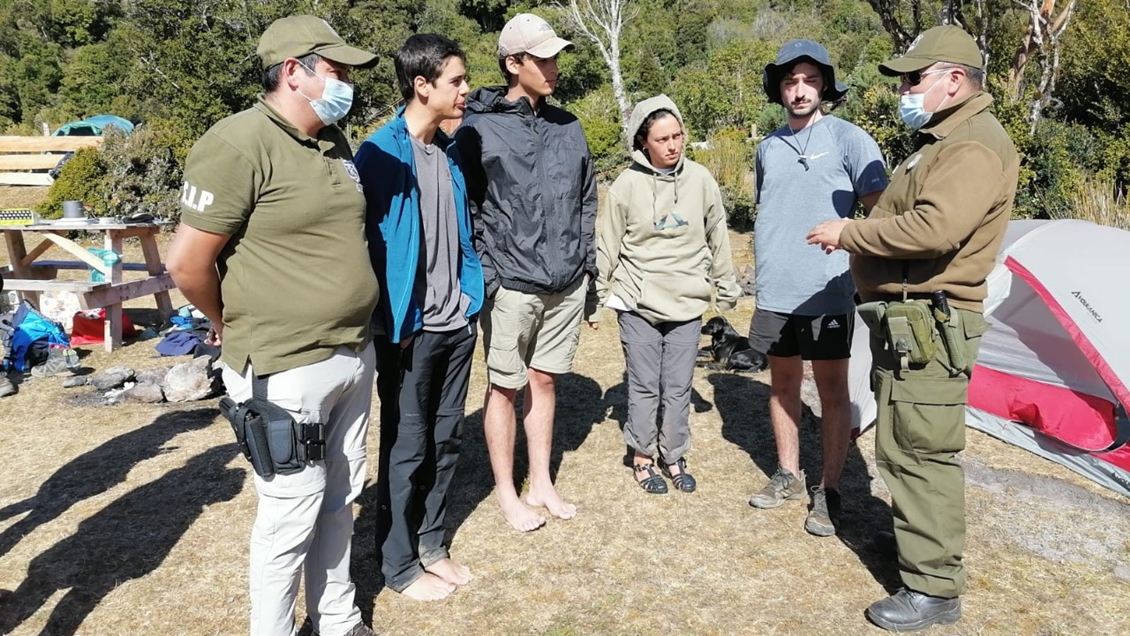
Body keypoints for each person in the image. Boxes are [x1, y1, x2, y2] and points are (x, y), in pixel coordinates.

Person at [166, 16, 381, 636]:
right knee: (292, 512)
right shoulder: (237, 144)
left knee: (340, 497)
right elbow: (187, 262)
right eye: (335, 70)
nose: (346, 83)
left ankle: (338, 620)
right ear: (295, 71)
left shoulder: (333, 140)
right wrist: (225, 320)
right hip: (283, 365)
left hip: (348, 353)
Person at [807, 25, 1018, 632]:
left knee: (921, 451)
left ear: (955, 80)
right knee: (903, 444)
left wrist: (849, 234)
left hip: (931, 321)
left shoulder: (972, 144)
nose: (904, 88)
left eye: (914, 78)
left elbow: (933, 229)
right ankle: (922, 562)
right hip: (911, 324)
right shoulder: (945, 139)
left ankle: (933, 591)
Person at [454, 13, 597, 532]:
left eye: (556, 57)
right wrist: (491, 277)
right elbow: (467, 208)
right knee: (504, 388)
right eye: (543, 59)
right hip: (512, 285)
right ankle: (508, 493)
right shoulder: (479, 127)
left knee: (545, 381)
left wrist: (586, 267)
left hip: (565, 284)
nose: (554, 67)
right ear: (514, 64)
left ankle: (542, 482)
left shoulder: (568, 126)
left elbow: (586, 198)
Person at [354, 34, 483, 602]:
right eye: (455, 80)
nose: (465, 90)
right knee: (405, 447)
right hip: (408, 333)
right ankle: (399, 564)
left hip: (457, 324)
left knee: (447, 437)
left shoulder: (447, 154)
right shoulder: (379, 154)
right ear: (421, 84)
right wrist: (389, 321)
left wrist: (470, 298)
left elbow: (462, 237)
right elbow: (361, 245)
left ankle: (432, 543)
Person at [745, 40, 888, 537]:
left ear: (824, 84)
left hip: (828, 290)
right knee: (781, 385)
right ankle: (787, 473)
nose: (799, 90)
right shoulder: (767, 147)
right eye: (789, 82)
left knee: (831, 393)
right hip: (775, 292)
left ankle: (828, 491)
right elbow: (772, 211)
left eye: (808, 80)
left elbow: (883, 214)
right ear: (779, 90)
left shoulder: (851, 140)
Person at [586, 94, 741, 494]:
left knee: (678, 386)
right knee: (644, 385)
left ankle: (673, 454)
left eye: (678, 136)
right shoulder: (626, 185)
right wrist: (597, 297)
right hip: (638, 303)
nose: (673, 145)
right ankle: (642, 456)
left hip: (687, 302)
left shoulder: (702, 181)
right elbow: (609, 244)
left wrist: (726, 286)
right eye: (662, 139)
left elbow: (717, 236)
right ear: (643, 143)